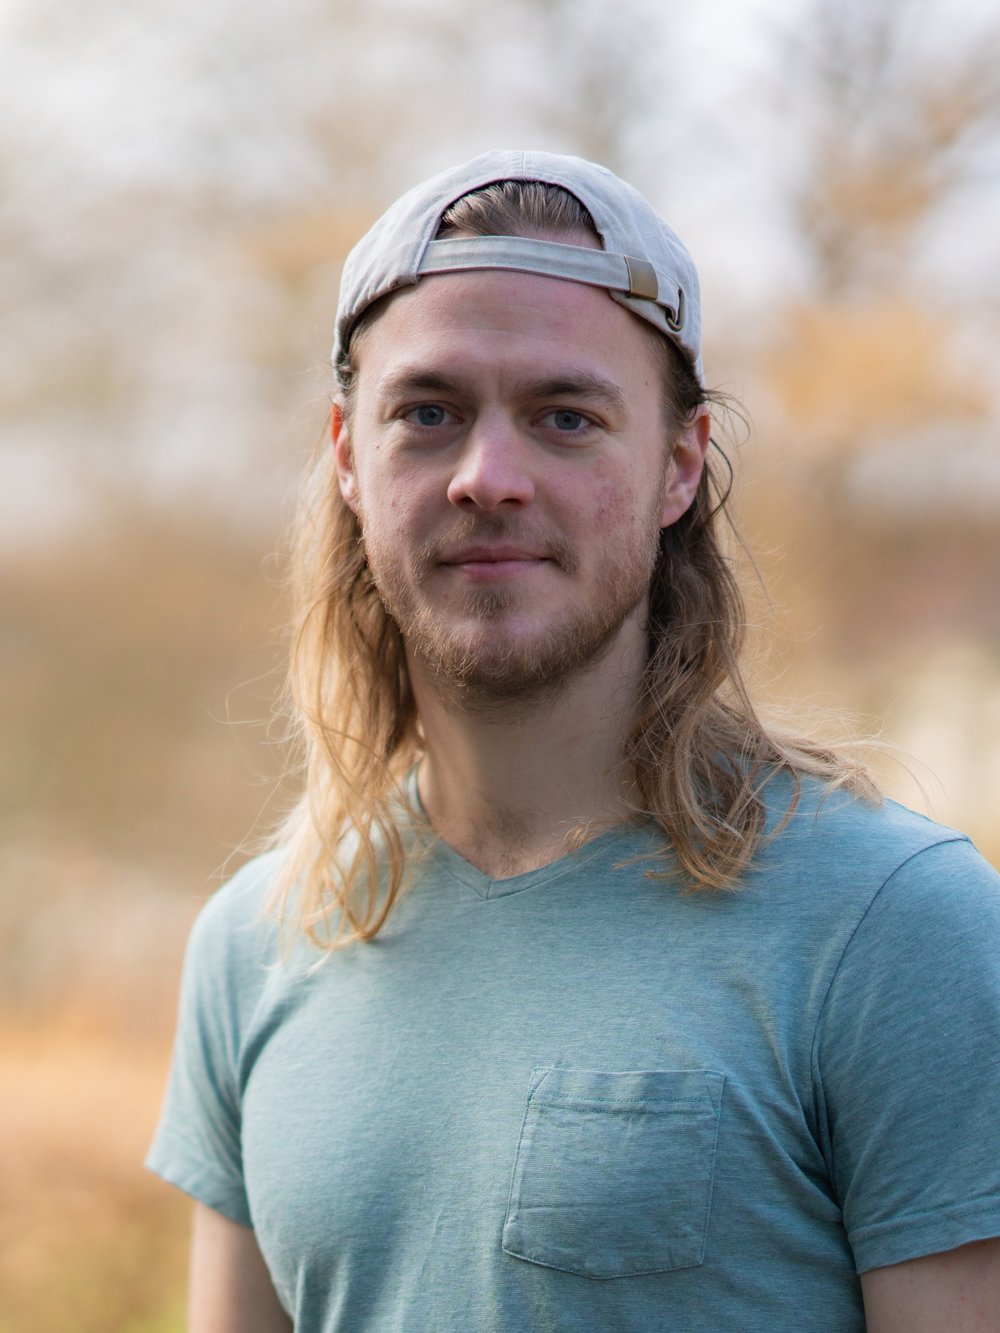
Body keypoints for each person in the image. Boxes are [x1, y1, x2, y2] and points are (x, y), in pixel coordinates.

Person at [147, 150, 1000, 1332]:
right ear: (347, 454)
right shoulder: (258, 941)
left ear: (678, 464)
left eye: (565, 417)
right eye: (429, 413)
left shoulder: (895, 930)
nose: (488, 478)